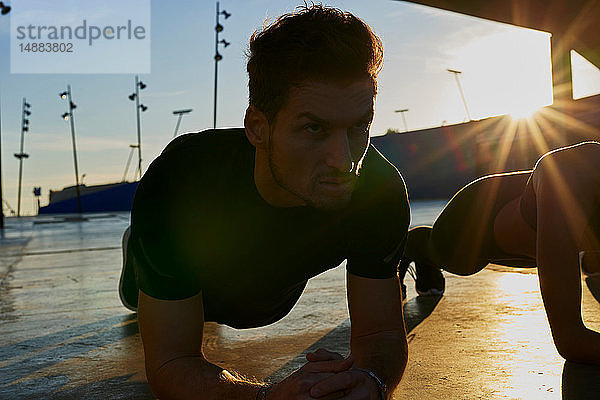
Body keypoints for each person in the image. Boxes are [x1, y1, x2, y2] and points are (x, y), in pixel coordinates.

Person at [119, 4, 410, 399]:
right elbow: (171, 363)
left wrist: (371, 381)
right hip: (191, 272)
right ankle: (137, 249)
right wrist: (265, 398)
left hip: (271, 294)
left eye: (360, 125)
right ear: (258, 127)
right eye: (313, 128)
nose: (344, 161)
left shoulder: (378, 190)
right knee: (143, 293)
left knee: (261, 304)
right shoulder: (180, 182)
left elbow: (380, 333)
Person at [402, 141, 600, 364]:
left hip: (541, 239)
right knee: (453, 258)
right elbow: (572, 341)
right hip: (472, 221)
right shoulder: (572, 175)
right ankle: (410, 249)